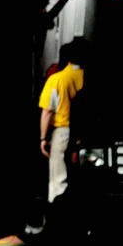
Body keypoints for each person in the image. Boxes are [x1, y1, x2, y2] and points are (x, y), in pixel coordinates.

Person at [39, 42, 85, 204]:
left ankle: (58, 215)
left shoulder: (57, 79)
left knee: (59, 178)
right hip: (86, 133)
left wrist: (43, 138)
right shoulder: (89, 77)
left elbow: (47, 111)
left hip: (63, 131)